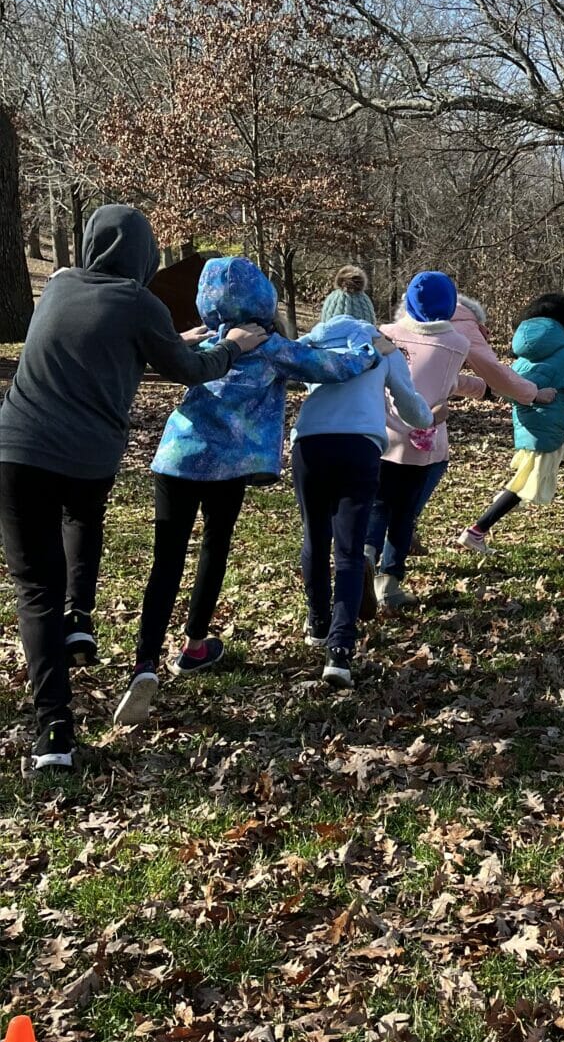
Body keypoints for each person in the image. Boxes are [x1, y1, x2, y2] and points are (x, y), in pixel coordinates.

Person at [0, 206, 266, 770]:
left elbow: (104, 343)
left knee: (33, 592)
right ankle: (79, 614)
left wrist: (169, 337)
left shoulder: (60, 285)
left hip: (15, 449)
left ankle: (54, 730)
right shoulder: (140, 303)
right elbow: (192, 370)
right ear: (143, 256)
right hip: (86, 457)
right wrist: (235, 344)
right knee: (82, 516)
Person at [113, 257, 386, 726]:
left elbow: (159, 363)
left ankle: (145, 663)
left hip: (176, 457)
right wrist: (371, 352)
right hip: (228, 465)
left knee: (167, 559)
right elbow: (330, 367)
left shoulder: (207, 339)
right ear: (261, 297)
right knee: (214, 548)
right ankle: (195, 644)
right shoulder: (270, 346)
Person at [290, 310, 433, 688]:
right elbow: (410, 406)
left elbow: (291, 369)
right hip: (360, 447)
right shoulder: (382, 348)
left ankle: (318, 621)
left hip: (310, 444)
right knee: (350, 551)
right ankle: (340, 652)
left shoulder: (313, 343)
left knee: (314, 536)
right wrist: (425, 419)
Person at [460, 294, 564, 550]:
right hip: (546, 432)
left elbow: (511, 387)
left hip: (529, 424)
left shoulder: (525, 352)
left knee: (560, 455)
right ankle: (477, 530)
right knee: (524, 485)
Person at [365, 273, 491, 611]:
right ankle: (389, 583)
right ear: (451, 306)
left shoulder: (384, 334)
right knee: (404, 514)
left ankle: (366, 555)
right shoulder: (456, 344)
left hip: (379, 438)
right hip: (420, 445)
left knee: (377, 506)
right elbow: (446, 383)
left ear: (407, 303)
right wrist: (484, 388)